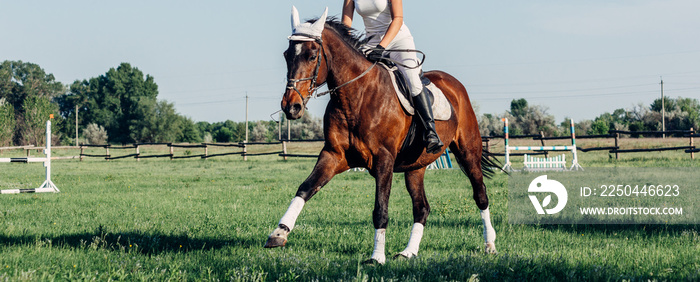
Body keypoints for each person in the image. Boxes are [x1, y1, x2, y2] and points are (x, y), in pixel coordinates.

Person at [342, 0, 443, 154]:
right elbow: (346, 22)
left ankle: (430, 132)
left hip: (398, 41)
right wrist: (347, 44)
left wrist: (381, 47)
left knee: (413, 82)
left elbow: (398, 19)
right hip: (370, 43)